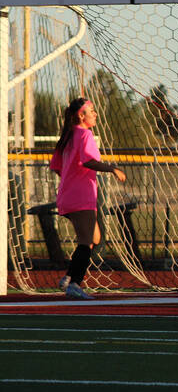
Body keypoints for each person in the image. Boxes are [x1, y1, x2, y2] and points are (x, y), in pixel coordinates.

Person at [49, 97, 126, 300]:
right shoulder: (84, 134)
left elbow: (57, 167)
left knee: (95, 238)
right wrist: (112, 169)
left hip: (67, 196)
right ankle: (75, 284)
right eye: (91, 110)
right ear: (81, 115)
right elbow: (88, 161)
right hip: (81, 196)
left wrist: (71, 180)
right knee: (86, 241)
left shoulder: (67, 136)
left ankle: (68, 277)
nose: (95, 114)